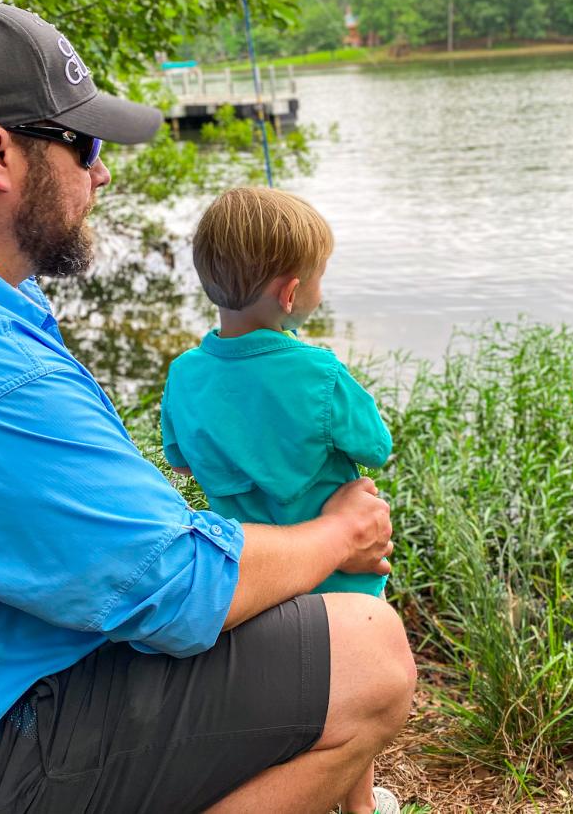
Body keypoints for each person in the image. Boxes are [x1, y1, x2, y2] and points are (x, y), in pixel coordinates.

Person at [0, 0, 415, 814]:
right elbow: (177, 590)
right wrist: (340, 531)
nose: (102, 172)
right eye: (84, 146)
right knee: (370, 651)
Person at [160, 187, 397, 814]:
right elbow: (376, 445)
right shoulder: (319, 373)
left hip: (253, 576)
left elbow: (179, 457)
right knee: (357, 689)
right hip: (340, 574)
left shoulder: (184, 375)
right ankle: (360, 806)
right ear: (291, 294)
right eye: (319, 277)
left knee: (291, 694)